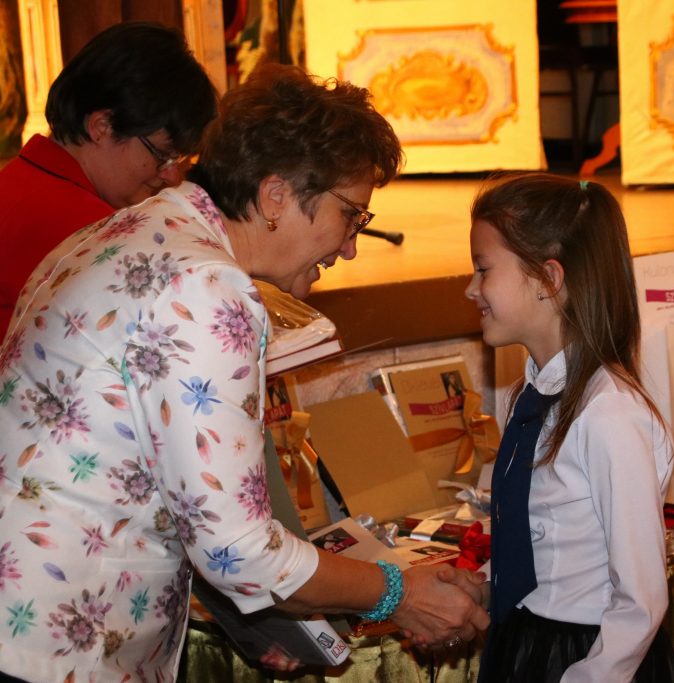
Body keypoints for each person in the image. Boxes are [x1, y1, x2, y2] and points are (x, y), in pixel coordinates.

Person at [0, 63, 487, 683]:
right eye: (351, 216)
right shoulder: (207, 287)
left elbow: (186, 502)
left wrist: (263, 622)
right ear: (276, 195)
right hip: (55, 641)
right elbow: (237, 549)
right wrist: (399, 592)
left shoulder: (126, 229)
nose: (349, 247)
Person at [465, 173, 674, 682]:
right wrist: (487, 583)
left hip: (588, 654)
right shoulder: (530, 396)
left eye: (482, 269)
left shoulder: (609, 415)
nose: (470, 289)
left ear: (547, 279)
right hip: (525, 636)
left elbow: (642, 597)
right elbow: (544, 536)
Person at [0, 21, 219, 335]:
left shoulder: (20, 180)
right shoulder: (85, 230)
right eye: (162, 155)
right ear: (102, 126)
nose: (172, 175)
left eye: (179, 160)